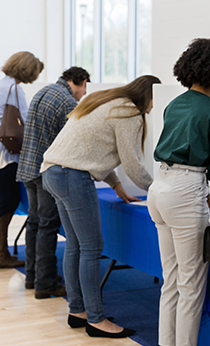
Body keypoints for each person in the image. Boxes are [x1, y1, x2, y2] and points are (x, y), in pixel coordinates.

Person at [40, 75, 161, 339]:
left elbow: (92, 148)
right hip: (73, 176)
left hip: (53, 172)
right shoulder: (129, 112)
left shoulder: (105, 100)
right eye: (156, 101)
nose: (154, 108)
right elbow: (132, 164)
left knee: (75, 245)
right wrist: (160, 190)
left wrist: (117, 186)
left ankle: (78, 311)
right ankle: (96, 319)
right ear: (148, 96)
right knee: (92, 248)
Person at [148, 38, 210, 346]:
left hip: (159, 188)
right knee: (191, 286)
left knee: (171, 282)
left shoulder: (174, 104)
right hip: (186, 191)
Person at [17, 67, 90, 299]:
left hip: (28, 166)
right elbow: (70, 144)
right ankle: (45, 284)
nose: (84, 93)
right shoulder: (67, 102)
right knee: (48, 226)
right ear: (79, 81)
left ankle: (32, 276)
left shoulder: (43, 91)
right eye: (85, 87)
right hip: (46, 170)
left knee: (35, 223)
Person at [0, 51, 44, 268]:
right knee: (7, 203)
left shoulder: (2, 85)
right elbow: (27, 122)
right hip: (7, 156)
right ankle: (1, 253)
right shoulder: (14, 89)